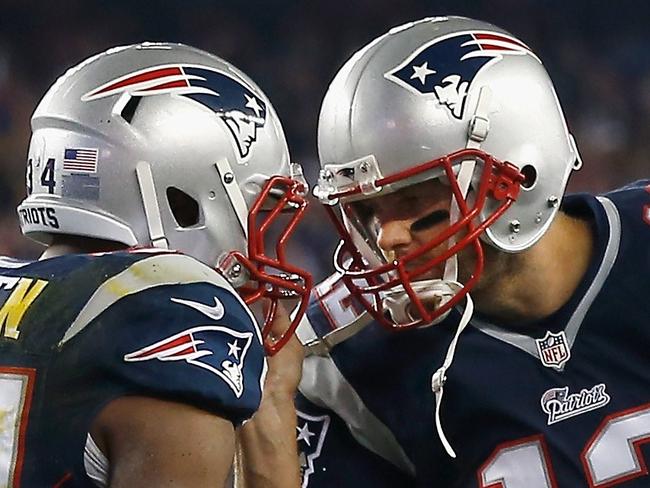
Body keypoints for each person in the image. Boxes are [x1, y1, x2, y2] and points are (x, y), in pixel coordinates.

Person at [246, 16, 650, 486]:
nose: (387, 238)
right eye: (366, 213)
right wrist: (272, 400)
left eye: (414, 199)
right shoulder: (345, 354)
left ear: (521, 173)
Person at [0, 42, 311, 487]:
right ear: (180, 203)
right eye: (254, 209)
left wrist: (269, 394)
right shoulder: (168, 310)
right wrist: (275, 410)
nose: (260, 245)